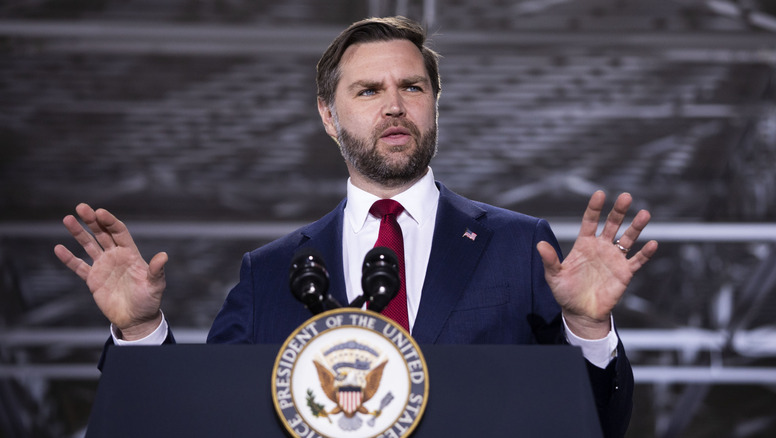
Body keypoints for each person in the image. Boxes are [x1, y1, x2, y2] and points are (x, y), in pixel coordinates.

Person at [54, 16, 657, 437]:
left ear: (434, 104)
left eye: (412, 87)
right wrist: (139, 334)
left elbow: (595, 424)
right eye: (369, 90)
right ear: (328, 115)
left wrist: (586, 327)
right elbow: (203, 416)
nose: (394, 105)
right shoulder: (270, 273)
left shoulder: (519, 245)